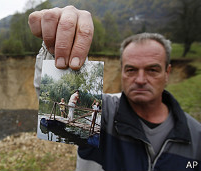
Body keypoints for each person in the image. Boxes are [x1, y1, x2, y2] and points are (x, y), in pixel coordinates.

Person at [29, 6, 201, 171]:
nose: (140, 80)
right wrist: (56, 43)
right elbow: (44, 88)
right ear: (122, 71)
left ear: (167, 72)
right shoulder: (106, 115)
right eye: (131, 69)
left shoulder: (196, 136)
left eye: (152, 70)